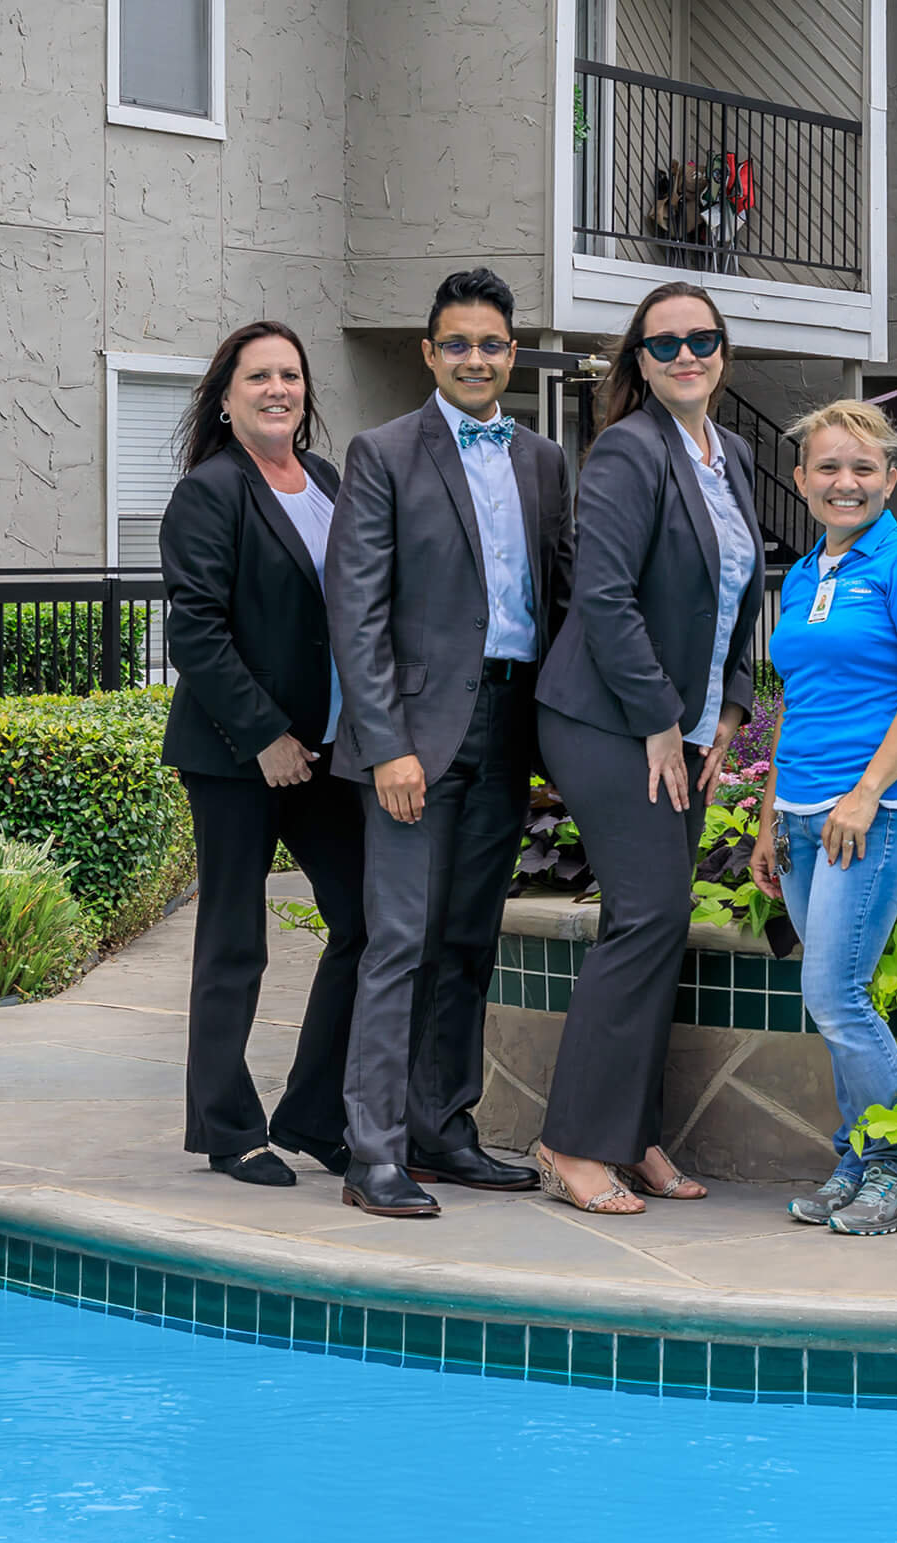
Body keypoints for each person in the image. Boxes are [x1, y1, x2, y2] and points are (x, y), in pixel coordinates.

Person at [326, 268, 574, 1218]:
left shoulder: (544, 460)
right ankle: (373, 1149)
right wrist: (387, 744)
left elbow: (561, 596)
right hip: (416, 739)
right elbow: (357, 611)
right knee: (400, 940)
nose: (477, 359)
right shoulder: (383, 452)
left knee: (469, 939)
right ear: (430, 354)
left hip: (511, 726)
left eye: (493, 345)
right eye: (458, 344)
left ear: (513, 355)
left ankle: (443, 1128)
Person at [532, 282, 765, 1215]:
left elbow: (742, 593)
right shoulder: (630, 450)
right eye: (663, 344)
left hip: (688, 728)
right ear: (638, 361)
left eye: (700, 340)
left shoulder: (735, 455)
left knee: (661, 924)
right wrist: (663, 720)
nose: (684, 356)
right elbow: (605, 598)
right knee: (647, 913)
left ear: (722, 352)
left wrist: (735, 706)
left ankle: (637, 1137)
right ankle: (572, 1142)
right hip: (606, 721)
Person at [159, 320, 367, 1189]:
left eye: (291, 375)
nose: (278, 388)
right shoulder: (211, 492)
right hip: (237, 754)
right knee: (235, 941)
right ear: (227, 395)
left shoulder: (324, 480)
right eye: (259, 377)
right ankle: (226, 1127)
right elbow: (195, 632)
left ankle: (316, 1115)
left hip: (325, 752)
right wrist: (264, 737)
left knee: (367, 921)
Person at [748, 401, 897, 1237]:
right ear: (801, 482)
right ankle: (859, 1155)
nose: (847, 482)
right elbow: (794, 704)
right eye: (829, 467)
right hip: (803, 818)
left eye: (864, 469)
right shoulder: (805, 574)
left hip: (874, 816)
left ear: (890, 481)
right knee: (837, 998)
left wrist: (865, 793)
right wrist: (770, 818)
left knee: (835, 995)